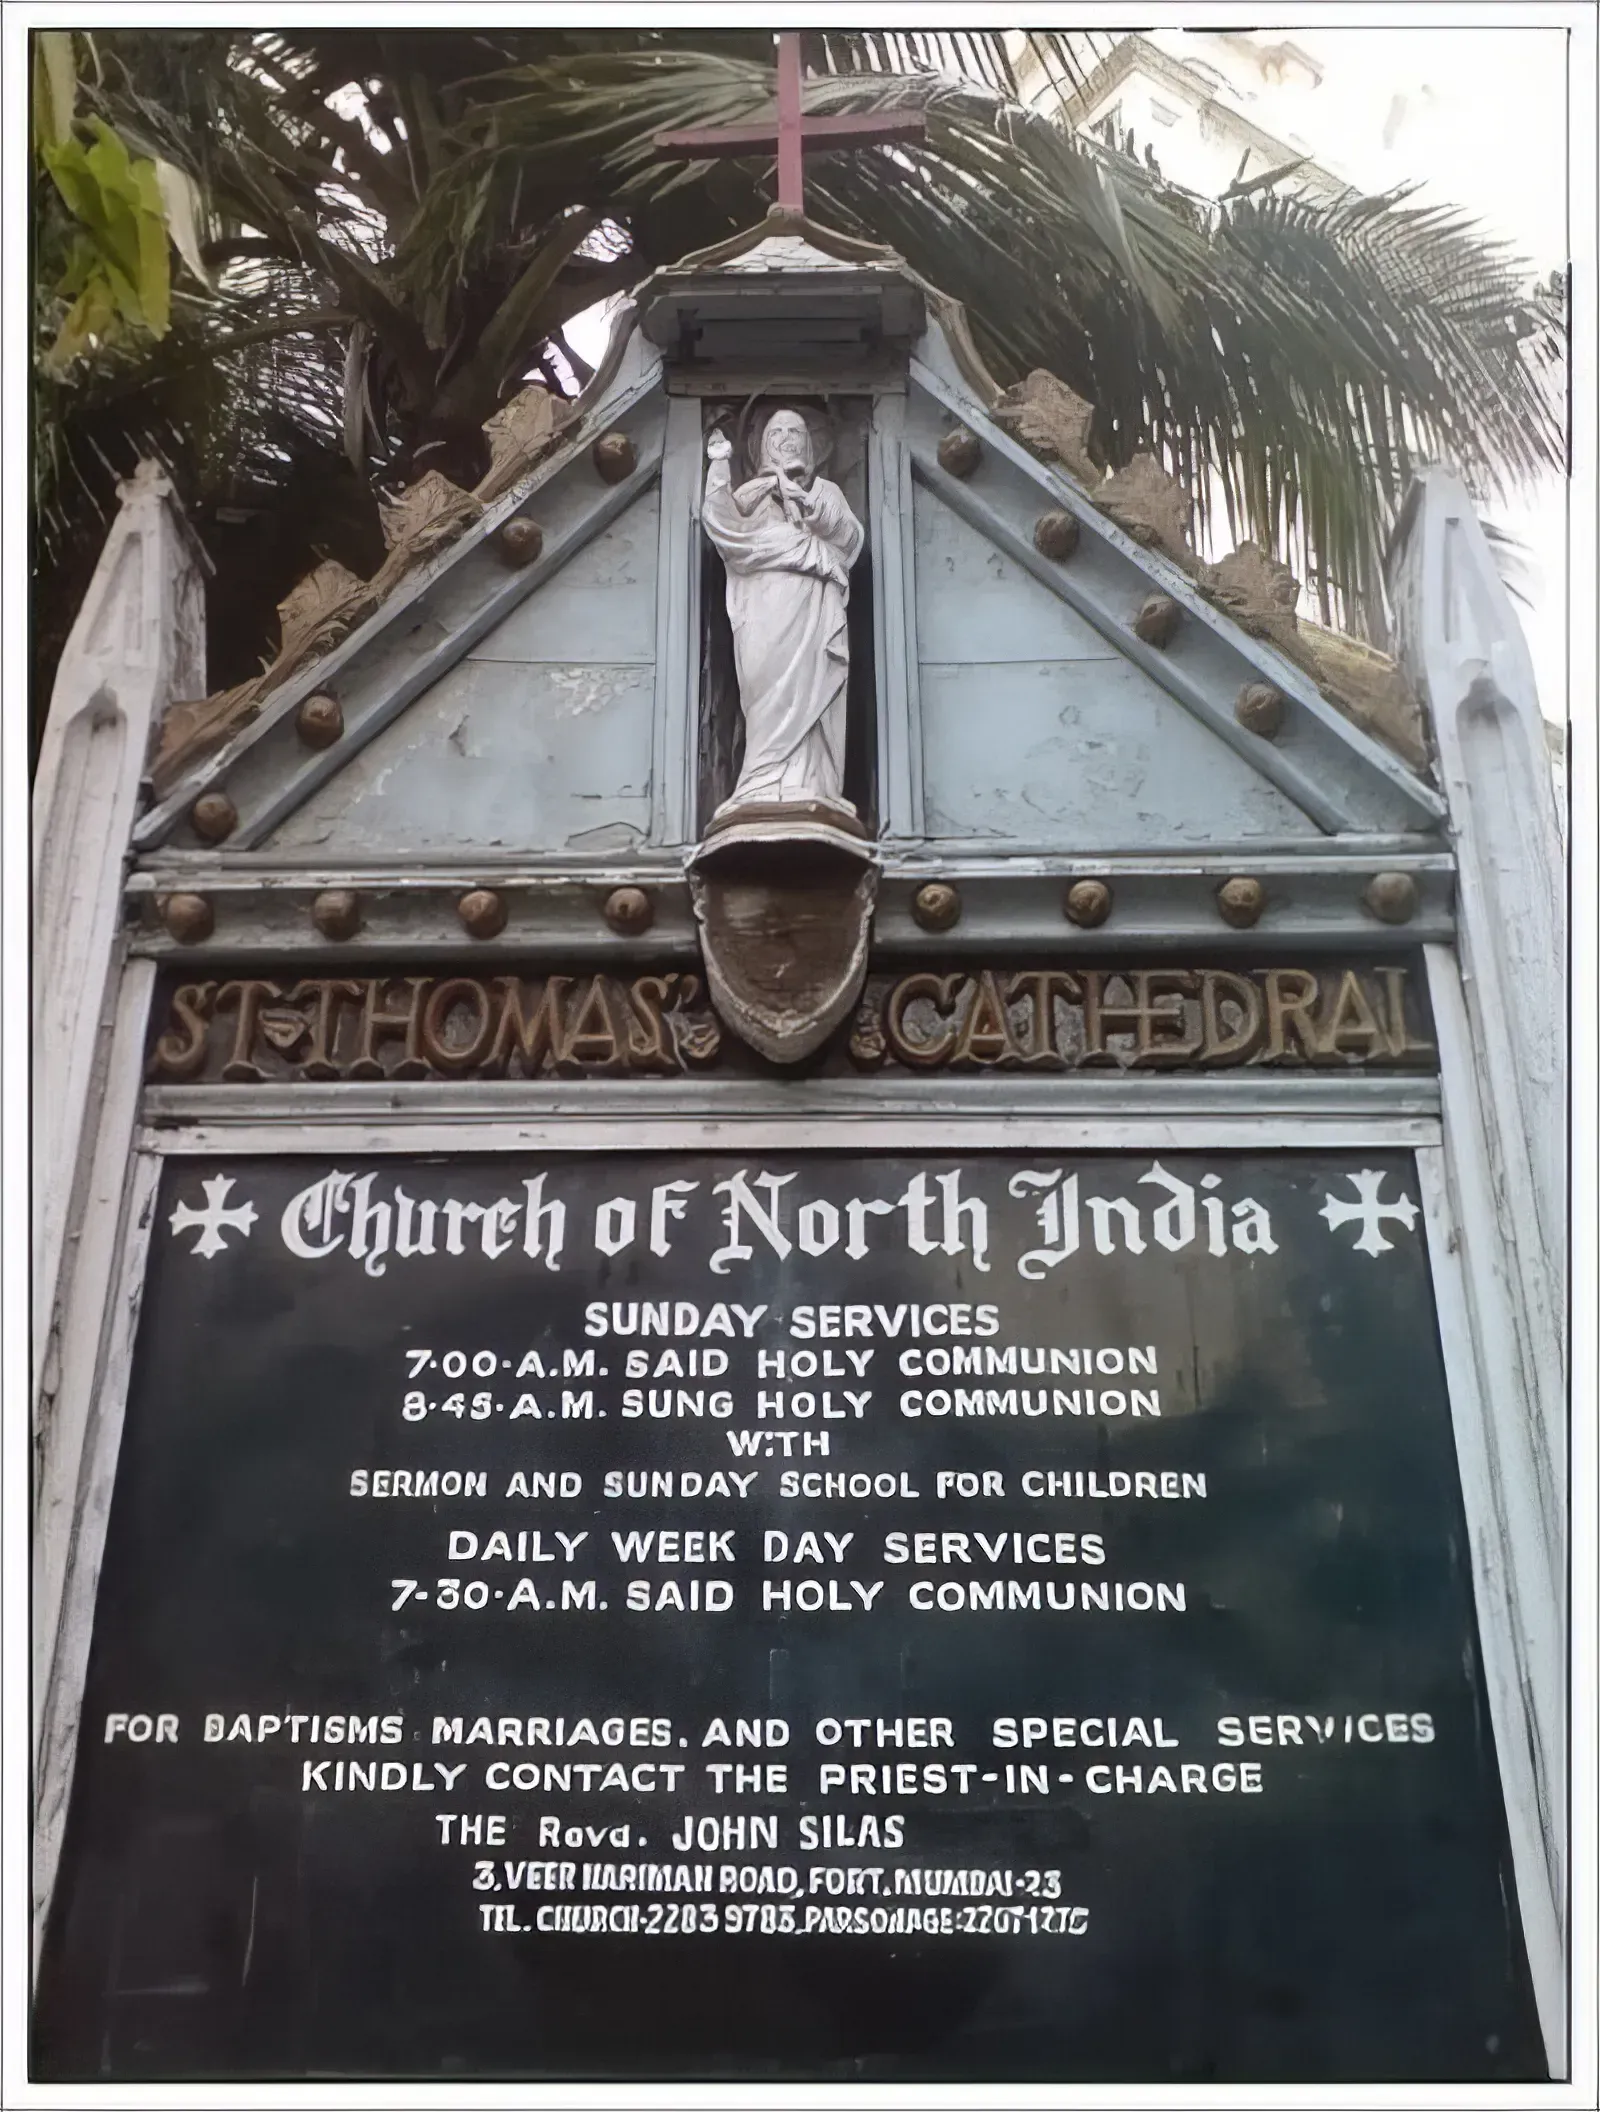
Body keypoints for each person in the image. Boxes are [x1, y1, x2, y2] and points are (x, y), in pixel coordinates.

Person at [702, 408, 864, 817]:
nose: (788, 438)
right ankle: (759, 779)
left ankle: (813, 784)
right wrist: (719, 465)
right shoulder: (750, 499)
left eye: (796, 431)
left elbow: (847, 539)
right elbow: (723, 527)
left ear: (811, 444)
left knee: (813, 694)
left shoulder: (826, 492)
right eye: (777, 432)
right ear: (760, 445)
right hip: (762, 608)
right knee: (764, 691)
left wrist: (804, 502)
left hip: (814, 610)